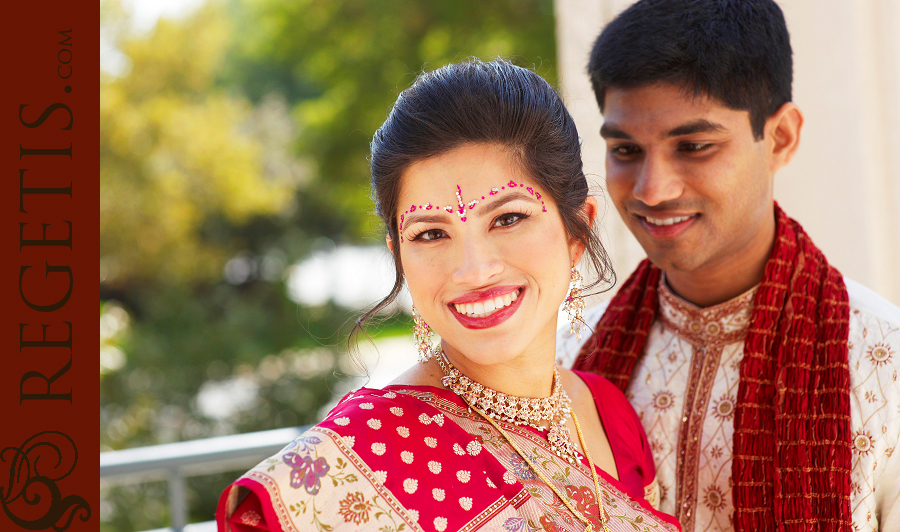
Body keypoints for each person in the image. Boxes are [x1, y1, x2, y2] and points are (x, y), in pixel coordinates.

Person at [216, 59, 681, 532]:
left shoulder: (609, 414)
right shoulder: (351, 464)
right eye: (431, 234)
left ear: (575, 230)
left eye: (508, 219)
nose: (474, 270)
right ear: (400, 256)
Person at [556, 1, 900, 531]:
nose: (653, 189)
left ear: (780, 138)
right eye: (625, 150)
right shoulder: (564, 362)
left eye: (693, 146)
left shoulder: (884, 366)